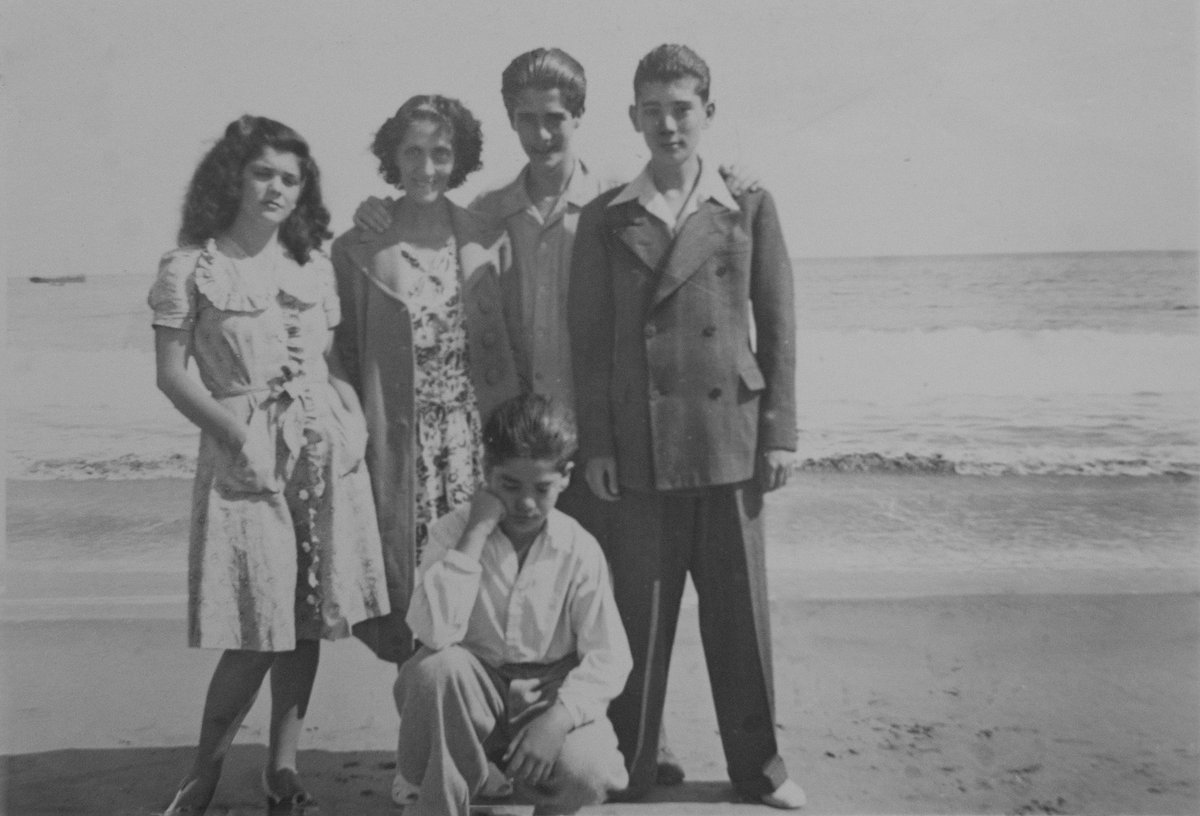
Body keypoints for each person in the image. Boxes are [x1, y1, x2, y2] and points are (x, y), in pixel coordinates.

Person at [351, 48, 761, 784]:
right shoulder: (486, 215)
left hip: (602, 437)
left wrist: (731, 179)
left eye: (555, 119)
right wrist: (372, 215)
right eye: (527, 120)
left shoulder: (616, 198)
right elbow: (428, 260)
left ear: (579, 117)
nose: (542, 134)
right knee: (494, 593)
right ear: (510, 121)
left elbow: (688, 213)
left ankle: (641, 745)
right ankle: (461, 749)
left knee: (616, 597)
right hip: (517, 446)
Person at [567, 45, 806, 809]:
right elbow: (591, 341)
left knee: (741, 622)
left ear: (708, 112)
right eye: (652, 110)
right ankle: (629, 771)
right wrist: (598, 446)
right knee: (638, 618)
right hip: (639, 449)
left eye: (682, 108)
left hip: (730, 442)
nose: (667, 124)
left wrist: (780, 433)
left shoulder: (748, 206)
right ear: (633, 116)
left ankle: (761, 772)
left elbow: (778, 324)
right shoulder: (607, 218)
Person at [148, 115, 390, 814]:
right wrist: (236, 433)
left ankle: (282, 770)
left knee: (305, 618)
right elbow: (171, 374)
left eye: (290, 177)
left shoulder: (312, 265)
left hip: (322, 451)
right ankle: (203, 773)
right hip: (245, 454)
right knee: (257, 625)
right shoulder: (191, 266)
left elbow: (332, 362)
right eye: (263, 174)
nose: (277, 188)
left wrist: (354, 423)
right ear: (233, 178)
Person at [391, 393, 632, 815]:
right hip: (468, 697)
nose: (525, 503)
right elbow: (432, 633)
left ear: (565, 478)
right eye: (509, 484)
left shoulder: (578, 547)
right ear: (485, 472)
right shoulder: (452, 531)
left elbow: (609, 657)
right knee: (436, 670)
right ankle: (439, 802)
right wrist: (475, 534)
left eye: (542, 489)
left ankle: (502, 777)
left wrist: (557, 720)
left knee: (589, 772)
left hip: (546, 693)